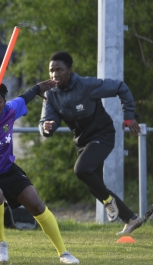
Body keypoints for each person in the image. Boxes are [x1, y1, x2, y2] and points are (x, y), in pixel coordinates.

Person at [0, 82, 79, 264]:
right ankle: (0, 242)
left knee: (36, 205)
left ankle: (63, 252)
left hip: (7, 169)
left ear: (4, 101)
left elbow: (27, 95)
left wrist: (39, 88)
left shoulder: (11, 110)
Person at [39, 51, 143, 235]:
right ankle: (131, 218)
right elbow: (48, 121)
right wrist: (46, 127)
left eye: (59, 70)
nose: (55, 74)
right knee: (94, 184)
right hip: (82, 141)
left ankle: (109, 202)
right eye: (51, 70)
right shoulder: (50, 94)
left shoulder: (86, 85)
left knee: (81, 170)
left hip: (102, 135)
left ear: (69, 71)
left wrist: (129, 116)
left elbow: (120, 87)